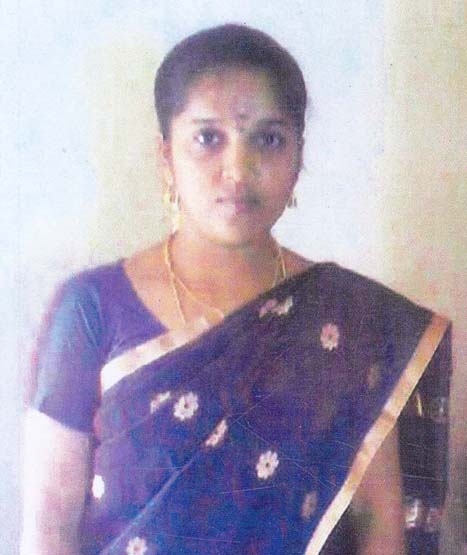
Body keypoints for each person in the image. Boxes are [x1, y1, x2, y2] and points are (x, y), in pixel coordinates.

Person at [21, 24, 450, 555]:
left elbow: (378, 521)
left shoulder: (350, 318)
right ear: (165, 158)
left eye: (268, 139)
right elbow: (49, 525)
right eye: (208, 138)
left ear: (298, 158)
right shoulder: (90, 310)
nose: (238, 171)